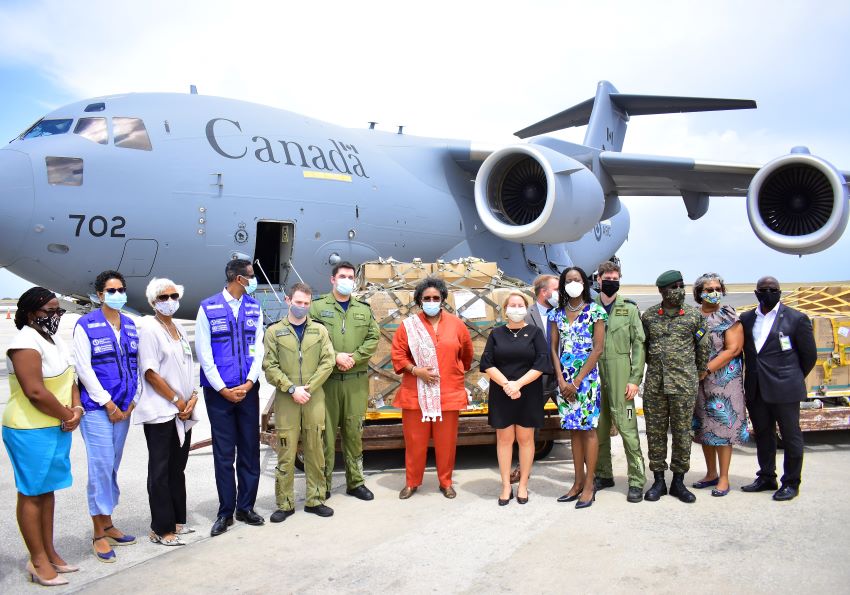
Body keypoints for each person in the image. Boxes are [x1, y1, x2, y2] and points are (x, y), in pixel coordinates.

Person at [4, 288, 81, 586]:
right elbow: (34, 391)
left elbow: (70, 377)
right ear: (30, 312)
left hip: (55, 425)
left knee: (47, 492)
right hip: (29, 429)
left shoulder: (51, 339)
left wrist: (76, 409)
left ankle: (49, 552)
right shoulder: (25, 343)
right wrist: (68, 416)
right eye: (49, 311)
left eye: (57, 310)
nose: (55, 316)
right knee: (31, 493)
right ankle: (37, 560)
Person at [195, 258, 265, 536]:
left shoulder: (254, 307)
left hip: (248, 391)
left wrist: (249, 383)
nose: (254, 280)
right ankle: (225, 511)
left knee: (249, 450)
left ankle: (245, 507)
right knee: (224, 455)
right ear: (238, 278)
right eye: (251, 276)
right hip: (218, 393)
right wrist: (222, 388)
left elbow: (258, 349)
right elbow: (204, 352)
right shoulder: (208, 308)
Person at [74, 270, 139, 562]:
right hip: (98, 409)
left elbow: (136, 365)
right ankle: (98, 535)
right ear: (100, 294)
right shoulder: (85, 325)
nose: (117, 294)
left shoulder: (130, 325)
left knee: (112, 466)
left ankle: (108, 523)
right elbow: (84, 369)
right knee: (100, 468)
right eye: (111, 290)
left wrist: (132, 401)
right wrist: (108, 403)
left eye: (121, 289)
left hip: (124, 408)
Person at [391, 276, 473, 499]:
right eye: (427, 298)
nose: (431, 301)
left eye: (436, 297)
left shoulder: (456, 324)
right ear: (419, 301)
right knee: (415, 442)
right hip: (415, 394)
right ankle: (412, 482)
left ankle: (445, 482)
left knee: (446, 443)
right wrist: (416, 370)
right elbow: (398, 354)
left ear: (443, 299)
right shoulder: (408, 326)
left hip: (448, 394)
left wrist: (451, 373)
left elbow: (466, 354)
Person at [739, 276, 817, 501]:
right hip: (756, 389)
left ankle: (791, 482)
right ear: (756, 293)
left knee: (791, 436)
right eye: (763, 290)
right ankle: (766, 476)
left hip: (786, 389)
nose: (768, 293)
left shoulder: (796, 318)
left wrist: (791, 377)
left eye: (773, 289)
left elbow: (808, 356)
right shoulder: (746, 319)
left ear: (780, 292)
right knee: (763, 434)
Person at [263, 283, 336, 521]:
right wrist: (292, 389)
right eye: (298, 302)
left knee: (316, 449)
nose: (302, 307)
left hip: (314, 397)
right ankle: (284, 504)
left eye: (306, 303)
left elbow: (328, 361)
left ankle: (315, 499)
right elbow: (269, 367)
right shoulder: (274, 332)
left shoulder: (319, 331)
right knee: (286, 451)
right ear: (288, 301)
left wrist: (310, 388)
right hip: (287, 399)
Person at [134, 278, 199, 546]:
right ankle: (160, 528)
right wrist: (176, 400)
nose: (169, 301)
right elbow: (150, 373)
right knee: (160, 470)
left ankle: (177, 520)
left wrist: (192, 398)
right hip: (162, 411)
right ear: (153, 302)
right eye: (163, 297)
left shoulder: (179, 327)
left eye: (173, 295)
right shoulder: (149, 328)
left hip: (183, 412)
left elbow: (187, 364)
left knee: (177, 467)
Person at [309, 261, 379, 501]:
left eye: (350, 277)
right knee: (325, 436)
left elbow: (373, 337)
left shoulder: (363, 309)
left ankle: (355, 482)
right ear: (332, 279)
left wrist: (355, 358)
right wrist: (335, 357)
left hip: (355, 381)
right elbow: (311, 339)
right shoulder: (316, 308)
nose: (347, 280)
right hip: (326, 381)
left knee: (353, 434)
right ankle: (324, 484)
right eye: (342, 276)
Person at [640, 270, 709, 503]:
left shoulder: (694, 316)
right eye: (674, 287)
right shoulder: (649, 316)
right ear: (662, 291)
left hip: (684, 385)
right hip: (655, 386)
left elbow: (703, 349)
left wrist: (695, 373)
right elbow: (645, 349)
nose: (679, 290)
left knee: (682, 434)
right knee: (655, 434)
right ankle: (658, 481)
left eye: (681, 285)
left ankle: (678, 481)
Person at [482, 291, 551, 505]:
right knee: (504, 440)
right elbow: (487, 363)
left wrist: (518, 384)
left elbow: (541, 363)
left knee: (526, 440)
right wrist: (507, 385)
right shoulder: (496, 333)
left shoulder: (535, 333)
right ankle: (505, 485)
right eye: (512, 305)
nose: (516, 308)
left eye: (520, 305)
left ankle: (522, 485)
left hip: (528, 392)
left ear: (526, 308)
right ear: (505, 310)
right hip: (501, 393)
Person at [549, 266, 607, 509]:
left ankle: (590, 485)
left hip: (587, 380)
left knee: (588, 431)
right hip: (565, 380)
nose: (573, 283)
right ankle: (577, 482)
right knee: (573, 431)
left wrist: (577, 381)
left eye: (577, 279)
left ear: (585, 283)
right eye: (568, 280)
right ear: (563, 285)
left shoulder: (596, 311)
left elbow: (598, 348)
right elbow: (553, 348)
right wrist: (562, 380)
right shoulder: (556, 314)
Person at [593, 261, 646, 503]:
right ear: (599, 279)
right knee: (599, 429)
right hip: (594, 375)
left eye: (616, 277)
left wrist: (635, 379)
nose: (611, 281)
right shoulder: (589, 307)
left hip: (620, 373)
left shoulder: (630, 308)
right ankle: (603, 475)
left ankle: (636, 480)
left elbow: (639, 344)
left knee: (627, 430)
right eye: (607, 277)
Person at [691, 273, 748, 497]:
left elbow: (732, 349)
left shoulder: (728, 315)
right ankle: (711, 473)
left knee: (723, 429)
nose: (713, 292)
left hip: (724, 381)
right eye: (708, 289)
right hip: (698, 382)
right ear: (699, 293)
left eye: (717, 288)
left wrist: (706, 369)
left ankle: (724, 478)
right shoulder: (693, 316)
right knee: (705, 427)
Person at [508, 274, 559, 484]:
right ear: (544, 292)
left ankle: (587, 467)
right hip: (535, 377)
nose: (560, 293)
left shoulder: (563, 313)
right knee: (528, 425)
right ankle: (522, 468)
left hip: (561, 376)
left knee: (576, 420)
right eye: (556, 289)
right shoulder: (525, 315)